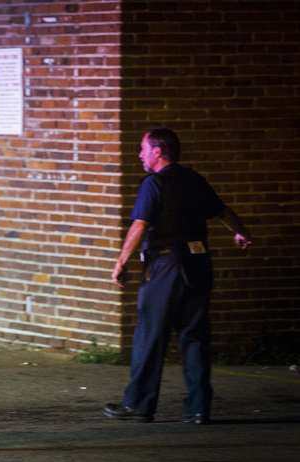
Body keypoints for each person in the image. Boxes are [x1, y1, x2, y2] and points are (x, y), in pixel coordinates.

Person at [103, 127, 252, 425]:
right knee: (194, 336)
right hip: (198, 264)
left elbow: (140, 225)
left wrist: (121, 260)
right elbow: (222, 211)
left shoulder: (154, 184)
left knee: (150, 335)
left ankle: (139, 404)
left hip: (166, 266)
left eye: (143, 149)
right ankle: (198, 408)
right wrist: (239, 231)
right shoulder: (194, 180)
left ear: (158, 151)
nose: (140, 155)